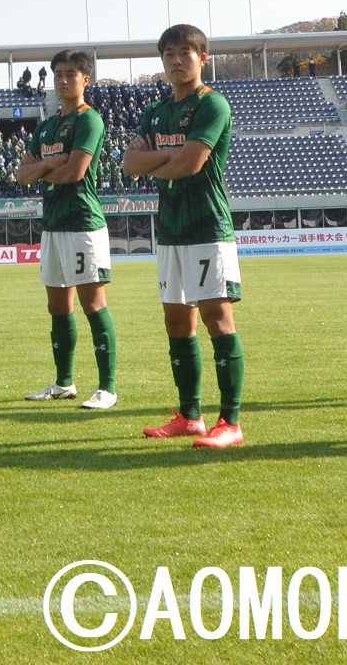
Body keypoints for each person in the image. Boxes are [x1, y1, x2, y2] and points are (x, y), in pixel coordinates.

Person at [121, 24, 246, 449]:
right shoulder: (156, 112)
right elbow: (127, 165)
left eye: (185, 53)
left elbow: (190, 164)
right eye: (169, 54)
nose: (176, 60)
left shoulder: (213, 105)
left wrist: (154, 159)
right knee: (177, 321)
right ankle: (190, 415)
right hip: (170, 230)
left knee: (217, 319)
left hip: (207, 227)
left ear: (202, 58)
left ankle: (230, 422)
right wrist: (164, 157)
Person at [13, 49, 116, 409]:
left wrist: (44, 165)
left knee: (93, 304)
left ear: (85, 79)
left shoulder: (90, 121)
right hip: (53, 224)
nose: (62, 79)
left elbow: (75, 173)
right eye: (58, 73)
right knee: (57, 305)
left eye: (71, 73)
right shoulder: (45, 126)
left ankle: (107, 387)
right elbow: (22, 176)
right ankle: (63, 383)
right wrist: (50, 163)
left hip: (82, 223)